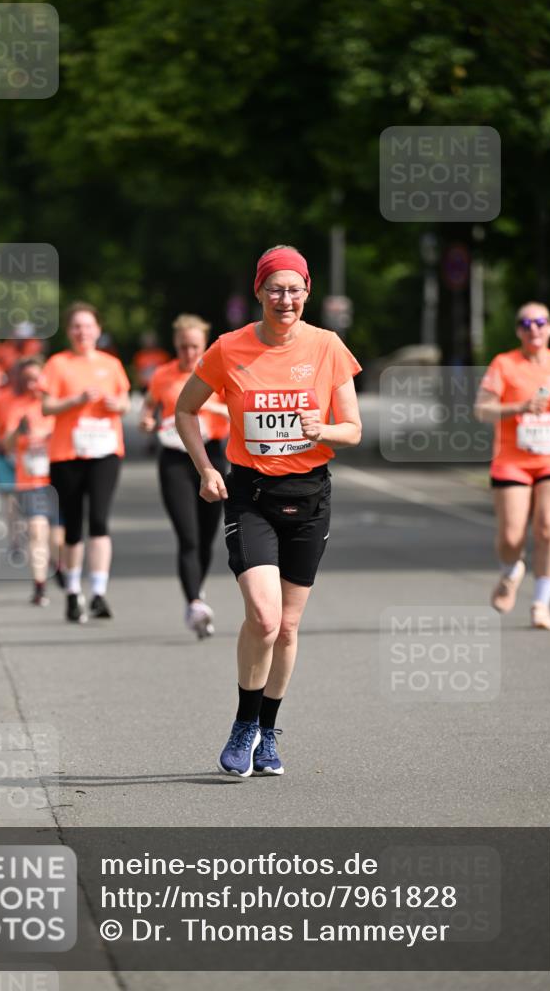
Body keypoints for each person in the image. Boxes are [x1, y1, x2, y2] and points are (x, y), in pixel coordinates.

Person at [176, 245, 362, 777]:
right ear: (259, 292)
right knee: (264, 615)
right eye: (275, 289)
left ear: (308, 293)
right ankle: (243, 723)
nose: (286, 299)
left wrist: (320, 429)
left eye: (295, 289)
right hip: (250, 495)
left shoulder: (327, 347)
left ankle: (268, 731)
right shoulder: (228, 348)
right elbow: (185, 409)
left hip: (309, 498)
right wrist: (206, 469)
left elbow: (352, 428)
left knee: (288, 627)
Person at [475, 301, 550, 630]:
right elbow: (482, 410)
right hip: (512, 459)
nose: (534, 328)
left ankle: (541, 604)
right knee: (511, 536)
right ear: (519, 330)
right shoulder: (504, 364)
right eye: (527, 322)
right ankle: (511, 570)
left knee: (548, 527)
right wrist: (520, 406)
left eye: (541, 321)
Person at [140, 314, 230, 638]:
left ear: (204, 345)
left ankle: (197, 590)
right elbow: (149, 407)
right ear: (175, 345)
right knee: (188, 536)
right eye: (182, 346)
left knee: (207, 538)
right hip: (175, 459)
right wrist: (147, 422)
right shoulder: (163, 375)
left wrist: (213, 409)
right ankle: (194, 602)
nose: (189, 353)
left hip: (213, 456)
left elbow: (239, 412)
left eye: (194, 346)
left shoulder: (219, 373)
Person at [40, 302, 130, 623]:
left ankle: (99, 593)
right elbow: (47, 407)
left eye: (88, 326)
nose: (83, 332)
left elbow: (125, 402)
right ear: (69, 331)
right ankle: (73, 591)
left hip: (105, 450)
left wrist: (114, 404)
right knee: (74, 524)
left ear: (98, 330)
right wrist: (76, 401)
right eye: (77, 326)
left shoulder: (111, 364)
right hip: (68, 454)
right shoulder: (57, 364)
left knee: (100, 520)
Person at [2, 357, 60, 606]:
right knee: (37, 530)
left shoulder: (57, 403)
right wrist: (19, 432)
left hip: (59, 475)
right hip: (31, 479)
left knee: (57, 539)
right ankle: (39, 586)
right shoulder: (16, 406)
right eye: (26, 379)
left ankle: (59, 564)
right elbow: (6, 445)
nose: (31, 384)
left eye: (35, 378)